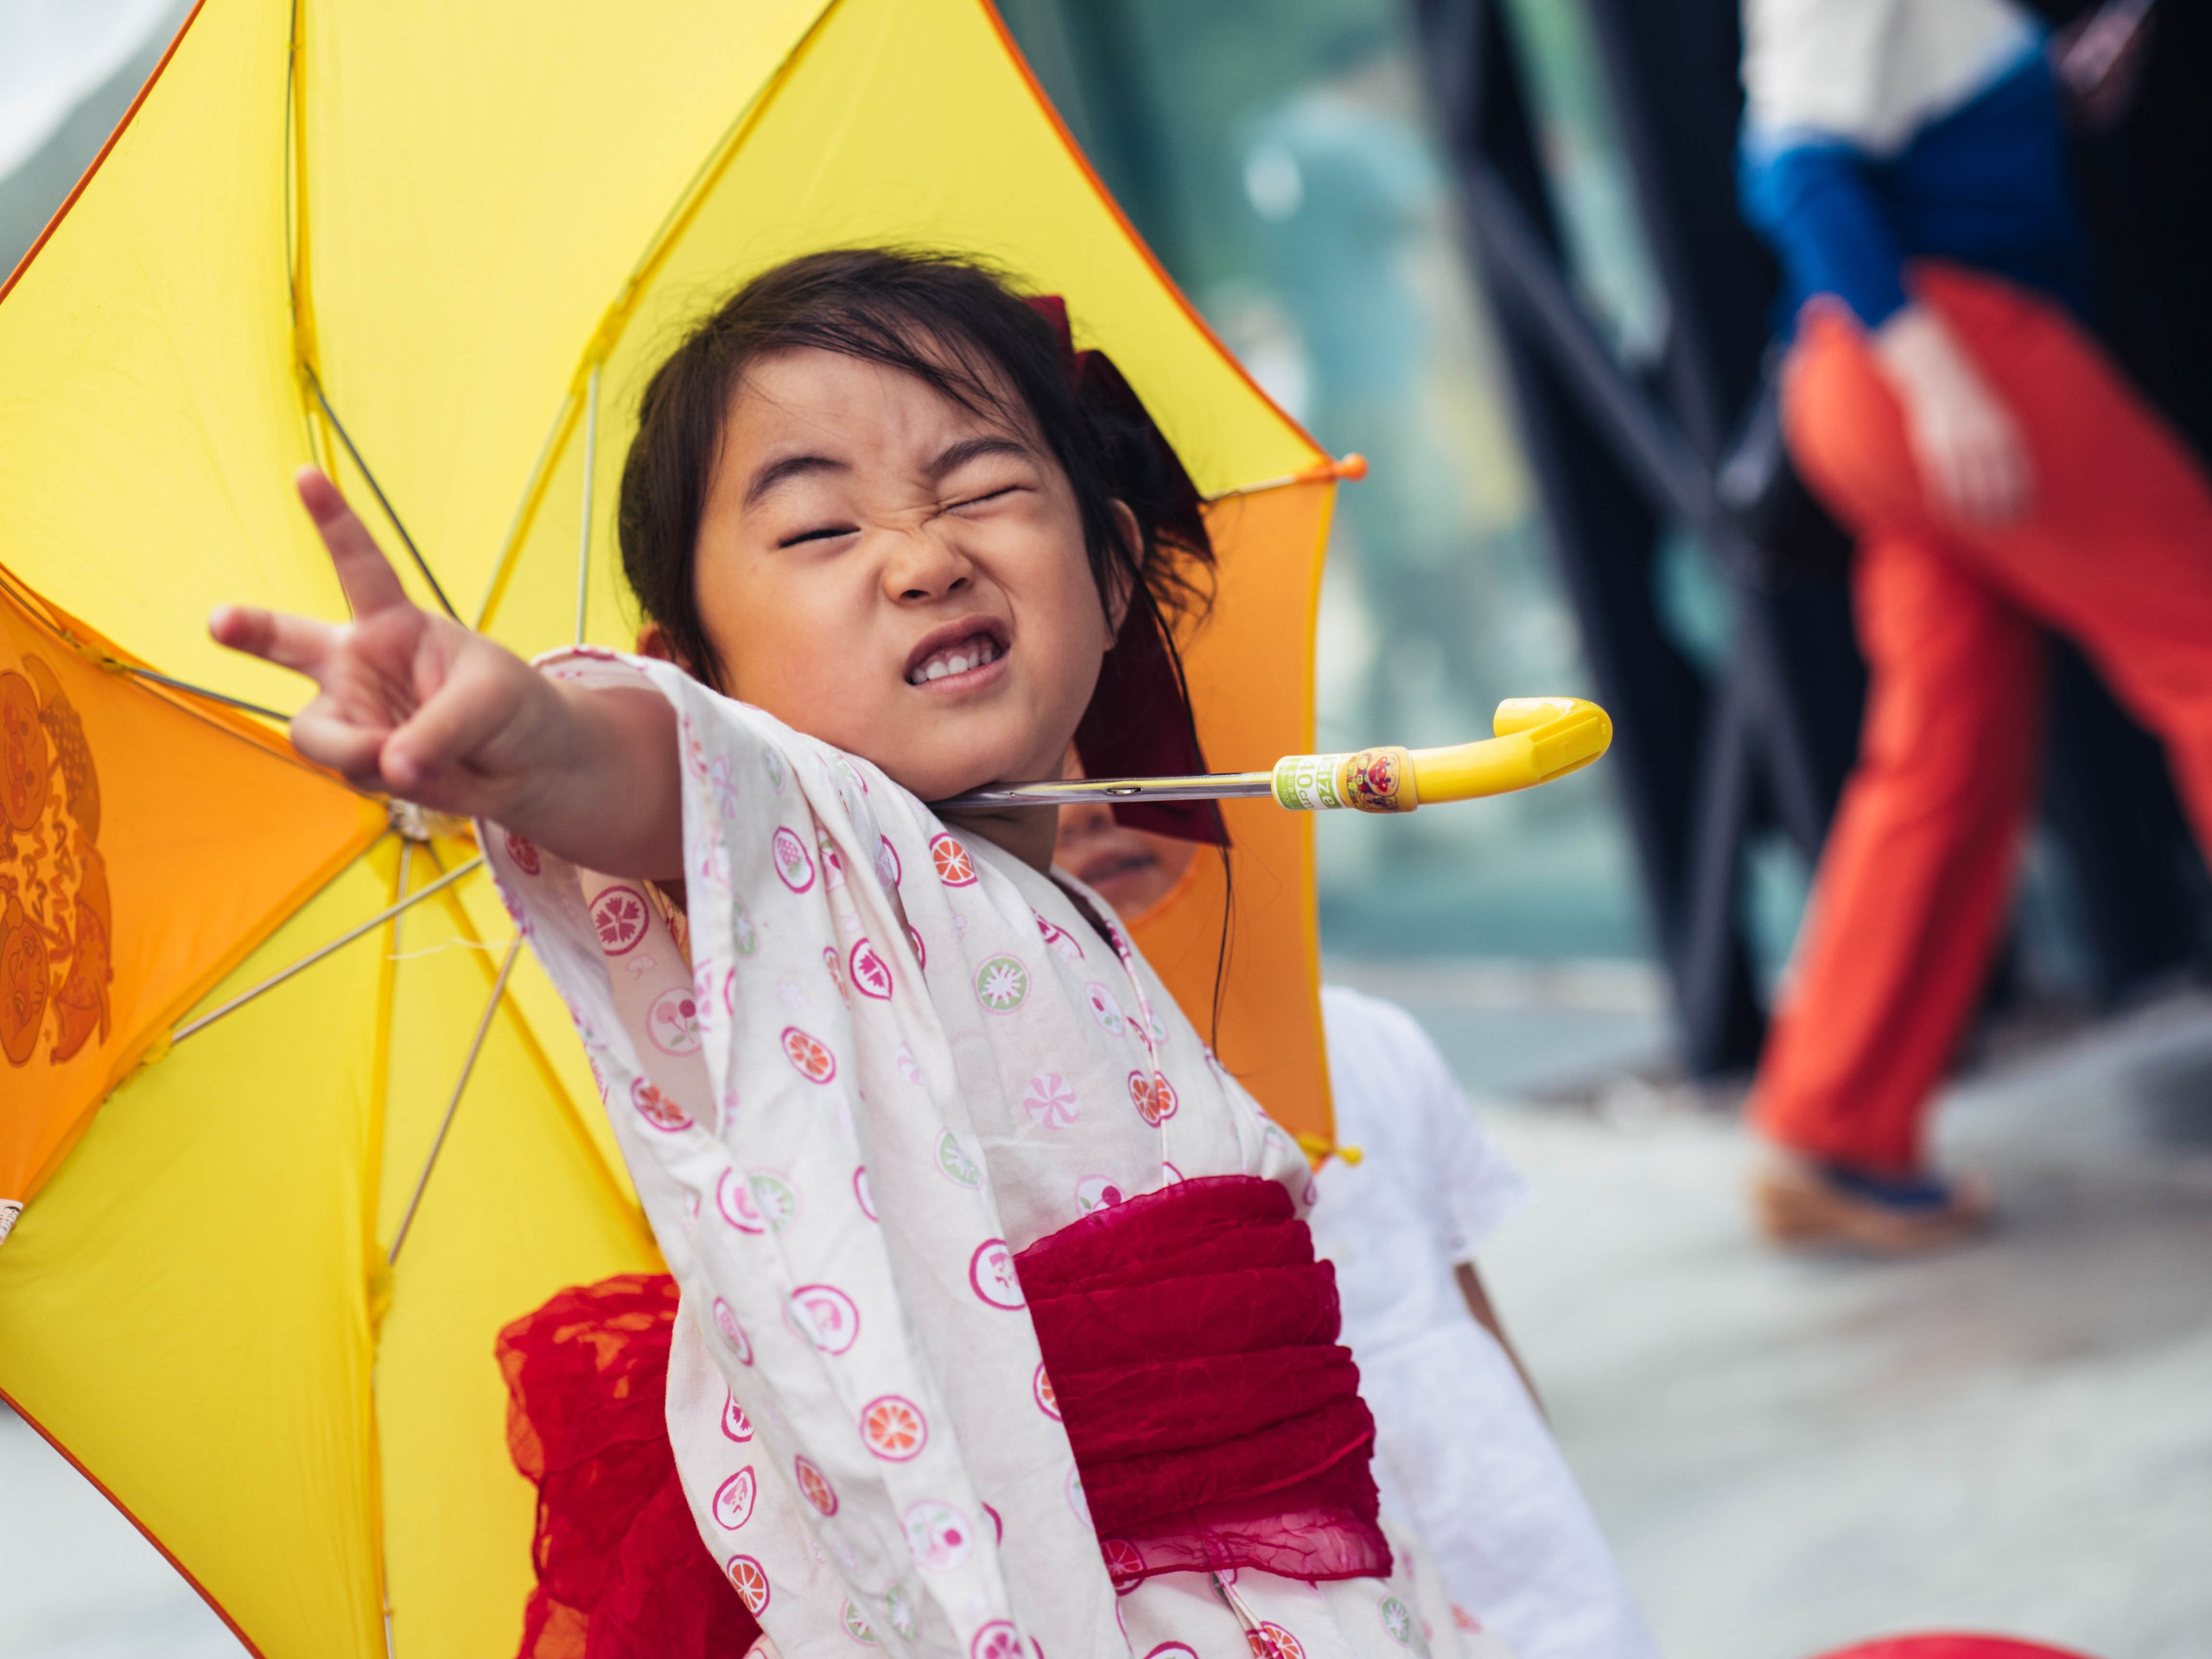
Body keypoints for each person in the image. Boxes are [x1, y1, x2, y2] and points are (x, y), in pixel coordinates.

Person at [211, 251, 1506, 1658]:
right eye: (820, 531)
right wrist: (531, 746)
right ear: (699, 678)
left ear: (1113, 570)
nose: (924, 554)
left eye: (984, 487)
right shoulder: (807, 846)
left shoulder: (1074, 907)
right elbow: (665, 776)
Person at [1736, 0, 2212, 1249]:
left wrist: (2040, 98)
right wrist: (1938, 378)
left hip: (1896, 375)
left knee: (1942, 752)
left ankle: (1831, 1125)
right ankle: (1831, 1120)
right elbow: (1794, 169)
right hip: (1946, 361)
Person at [1057, 801, 1659, 1659]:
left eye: (1120, 770)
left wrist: (1537, 1473)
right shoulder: (1072, 1111)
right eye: (1048, 784)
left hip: (1489, 1485)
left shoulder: (1370, 1039)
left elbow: (1464, 1293)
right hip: (1304, 1522)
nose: (1087, 810)